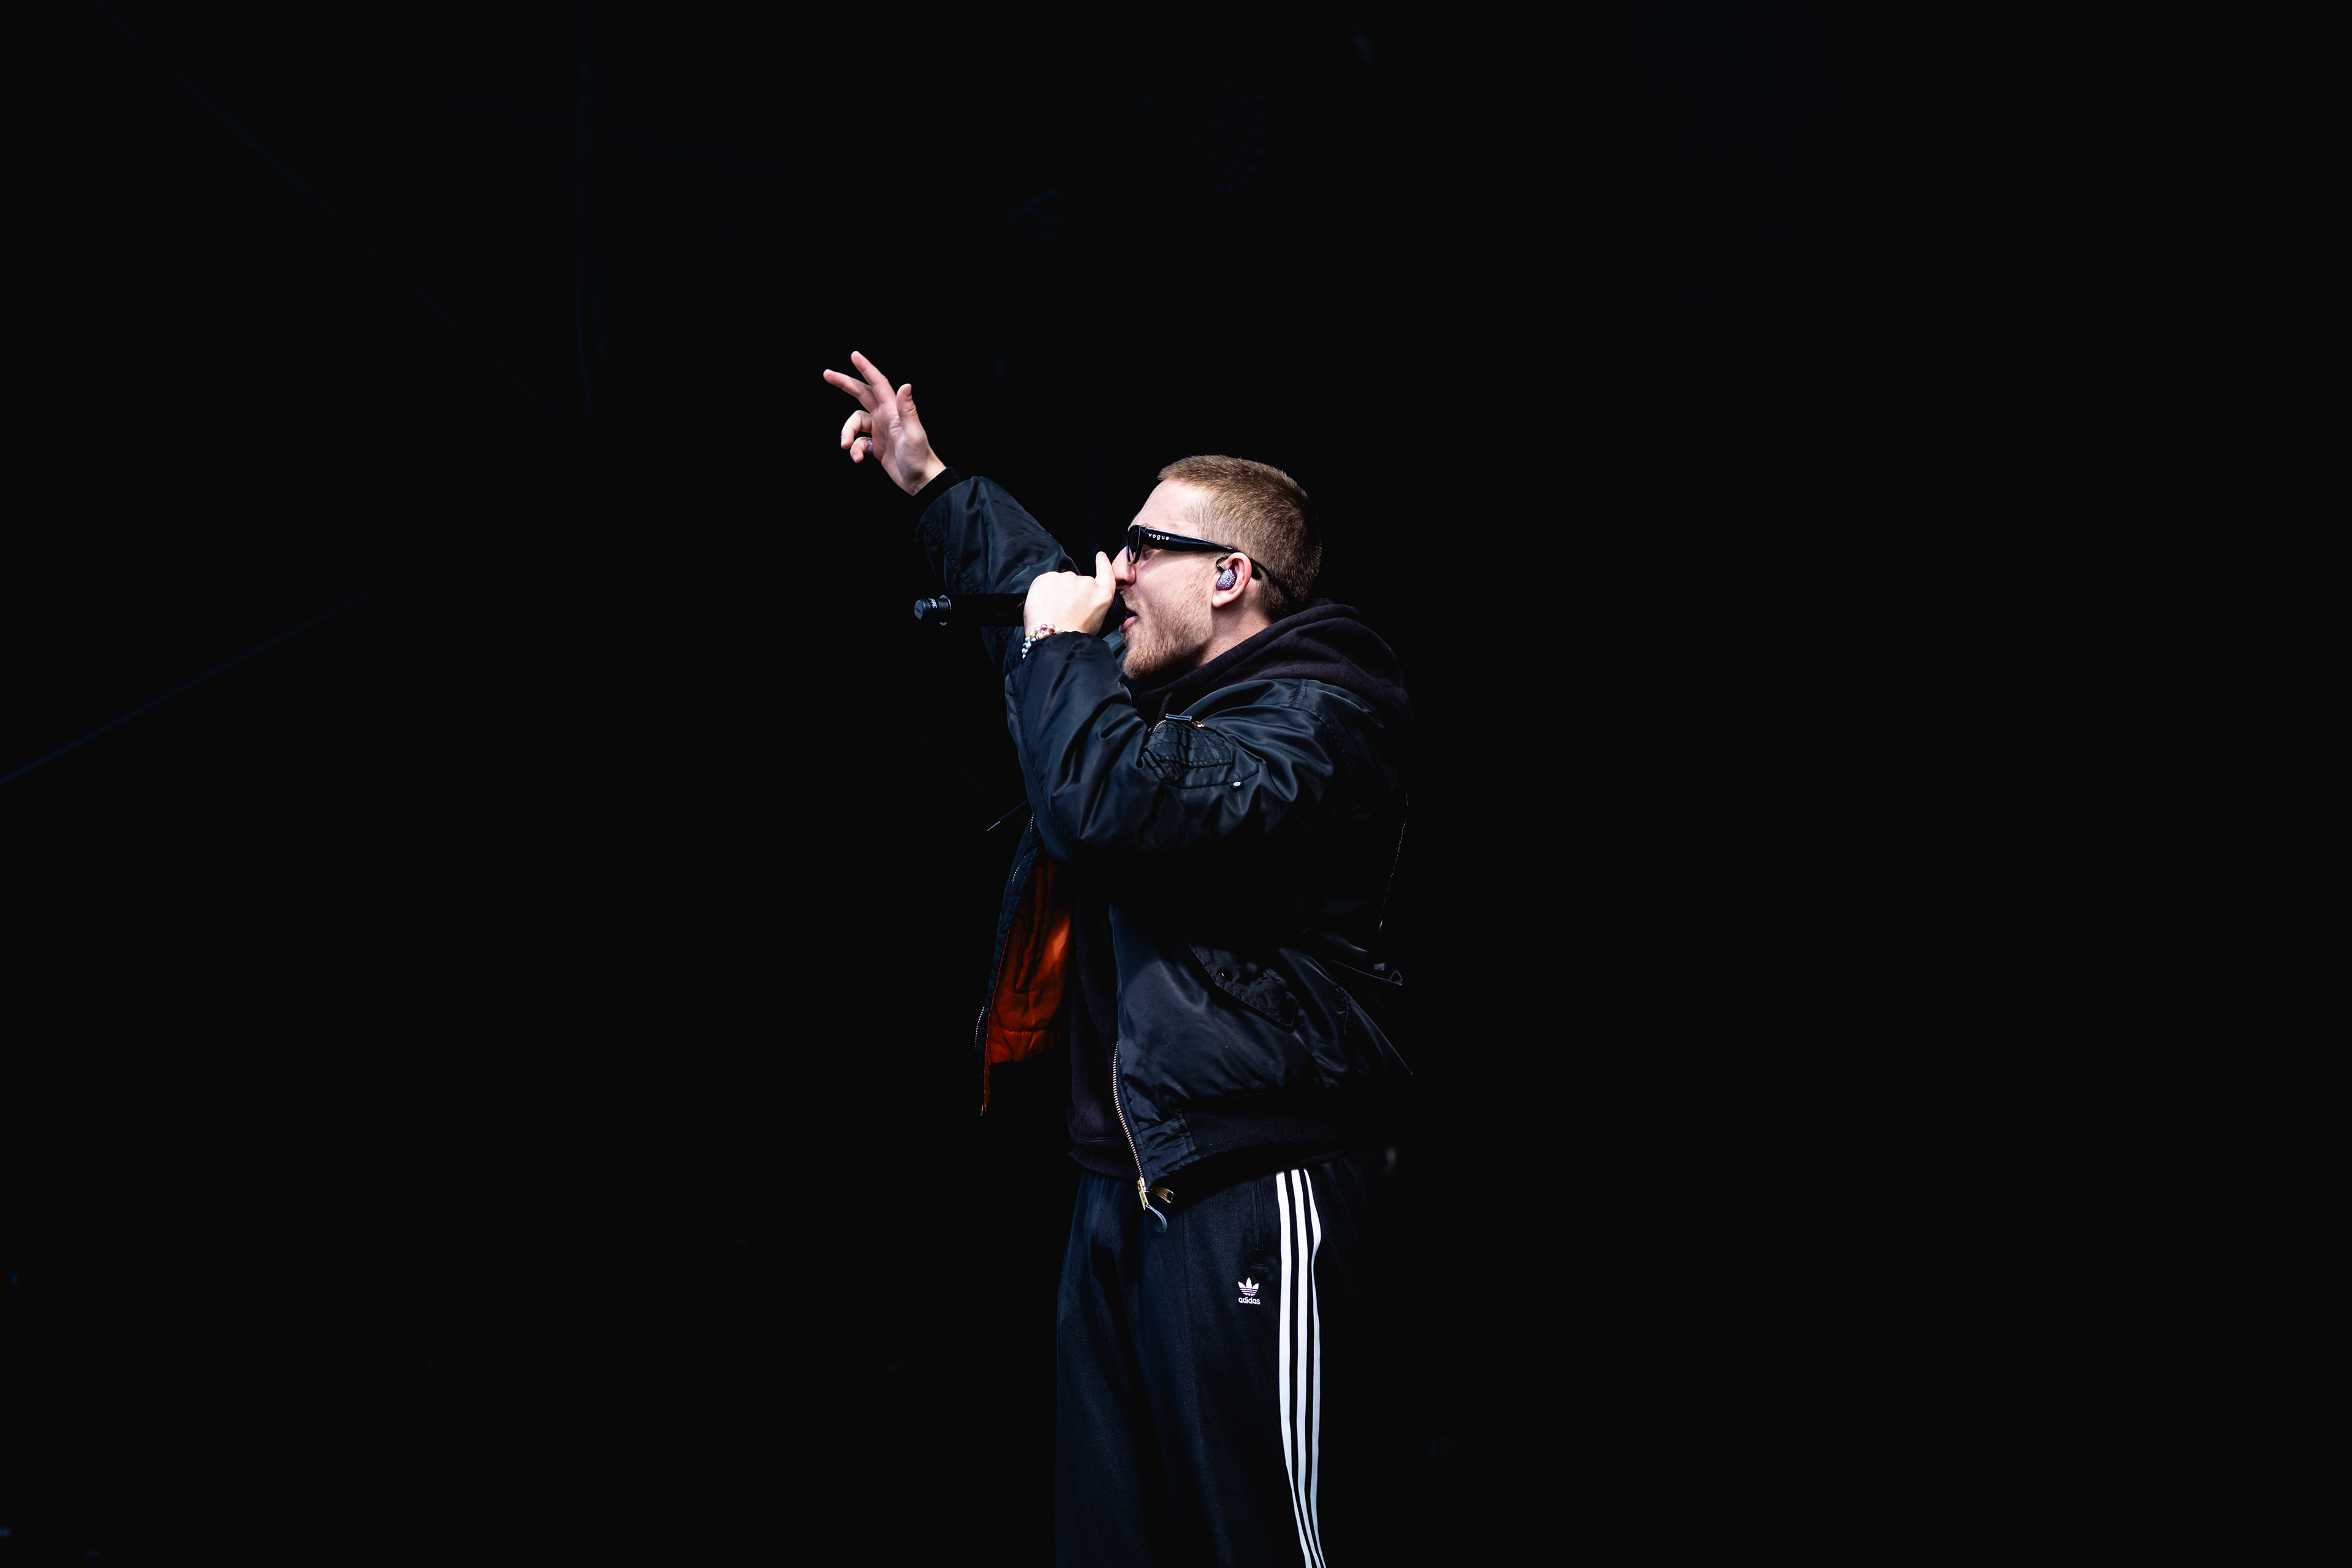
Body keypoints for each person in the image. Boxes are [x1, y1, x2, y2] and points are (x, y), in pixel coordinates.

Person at [826, 352, 1413, 1566]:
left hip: (1248, 1177)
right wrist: (932, 482)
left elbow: (1108, 803)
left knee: (1260, 1540)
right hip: (1123, 1187)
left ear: (1232, 576)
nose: (1117, 569)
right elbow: (1050, 606)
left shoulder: (1316, 720)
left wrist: (1057, 647)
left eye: (1146, 547)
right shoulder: (1163, 705)